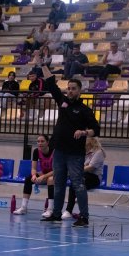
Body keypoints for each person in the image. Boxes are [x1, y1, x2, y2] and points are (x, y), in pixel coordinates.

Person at [41, 65, 100, 227]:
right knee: (58, 184)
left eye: (73, 89)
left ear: (79, 91)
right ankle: (56, 214)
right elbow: (51, 83)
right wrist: (42, 64)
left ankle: (84, 217)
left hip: (75, 154)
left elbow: (96, 130)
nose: (70, 91)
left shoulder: (84, 110)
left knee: (78, 184)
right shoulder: (63, 102)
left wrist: (84, 132)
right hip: (59, 151)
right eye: (68, 89)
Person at [62, 137, 105, 219]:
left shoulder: (98, 152)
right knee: (74, 183)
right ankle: (68, 211)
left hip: (94, 177)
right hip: (83, 175)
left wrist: (75, 171)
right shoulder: (83, 152)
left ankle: (83, 213)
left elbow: (90, 167)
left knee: (79, 183)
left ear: (90, 142)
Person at [13, 134, 55, 218]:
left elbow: (56, 170)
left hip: (56, 174)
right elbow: (33, 168)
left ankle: (50, 209)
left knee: (50, 180)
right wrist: (33, 176)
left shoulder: (54, 151)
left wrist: (43, 177)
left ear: (47, 142)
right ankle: (24, 207)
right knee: (29, 179)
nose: (40, 143)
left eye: (42, 141)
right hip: (44, 173)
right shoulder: (36, 151)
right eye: (38, 141)